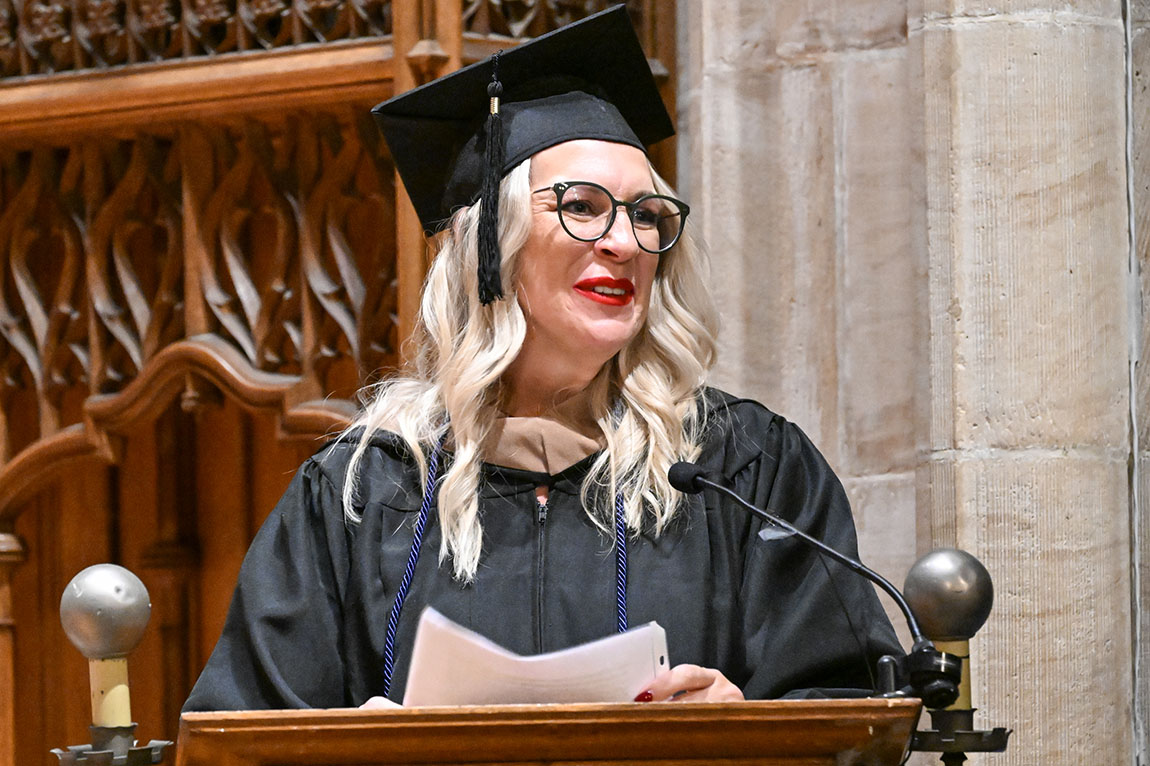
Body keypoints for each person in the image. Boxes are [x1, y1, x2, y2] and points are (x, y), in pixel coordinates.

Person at [183, 6, 902, 712]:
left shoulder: (740, 471)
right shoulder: (366, 493)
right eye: (583, 206)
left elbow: (851, 711)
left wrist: (742, 723)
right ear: (494, 243)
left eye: (647, 215)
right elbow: (246, 732)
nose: (624, 242)